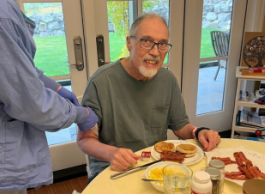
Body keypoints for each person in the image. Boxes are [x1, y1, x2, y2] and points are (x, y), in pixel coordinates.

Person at [77, 13, 221, 183]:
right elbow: (85, 139)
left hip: (156, 166)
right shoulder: (100, 82)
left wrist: (199, 132)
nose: (155, 52)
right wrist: (110, 153)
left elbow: (181, 126)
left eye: (162, 44)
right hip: (111, 168)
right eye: (146, 41)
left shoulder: (168, 80)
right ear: (129, 42)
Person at [0, 0, 98, 193]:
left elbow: (17, 67)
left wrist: (56, 88)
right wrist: (79, 115)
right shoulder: (3, 15)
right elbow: (32, 103)